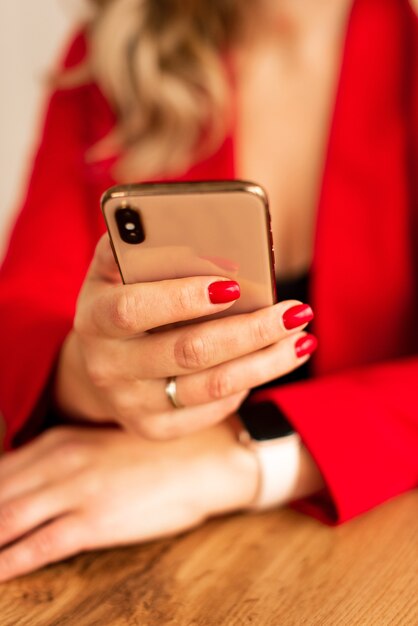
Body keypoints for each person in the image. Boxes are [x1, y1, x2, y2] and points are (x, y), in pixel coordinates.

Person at [0, 0, 417, 582]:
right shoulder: (119, 49)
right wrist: (94, 375)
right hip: (165, 565)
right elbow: (21, 314)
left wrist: (241, 456)